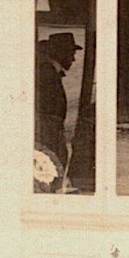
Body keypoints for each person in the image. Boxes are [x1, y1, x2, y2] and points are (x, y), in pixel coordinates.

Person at [35, 32, 83, 190]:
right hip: (49, 132)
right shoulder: (47, 73)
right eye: (71, 54)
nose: (73, 59)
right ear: (60, 53)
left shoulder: (49, 71)